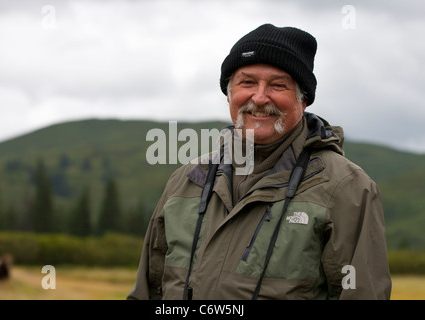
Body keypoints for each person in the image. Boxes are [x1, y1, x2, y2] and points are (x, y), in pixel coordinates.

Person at [127, 24, 391, 300]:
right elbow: (148, 290)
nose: (260, 97)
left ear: (303, 100)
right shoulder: (186, 180)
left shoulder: (346, 188)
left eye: (278, 85)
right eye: (247, 82)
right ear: (229, 94)